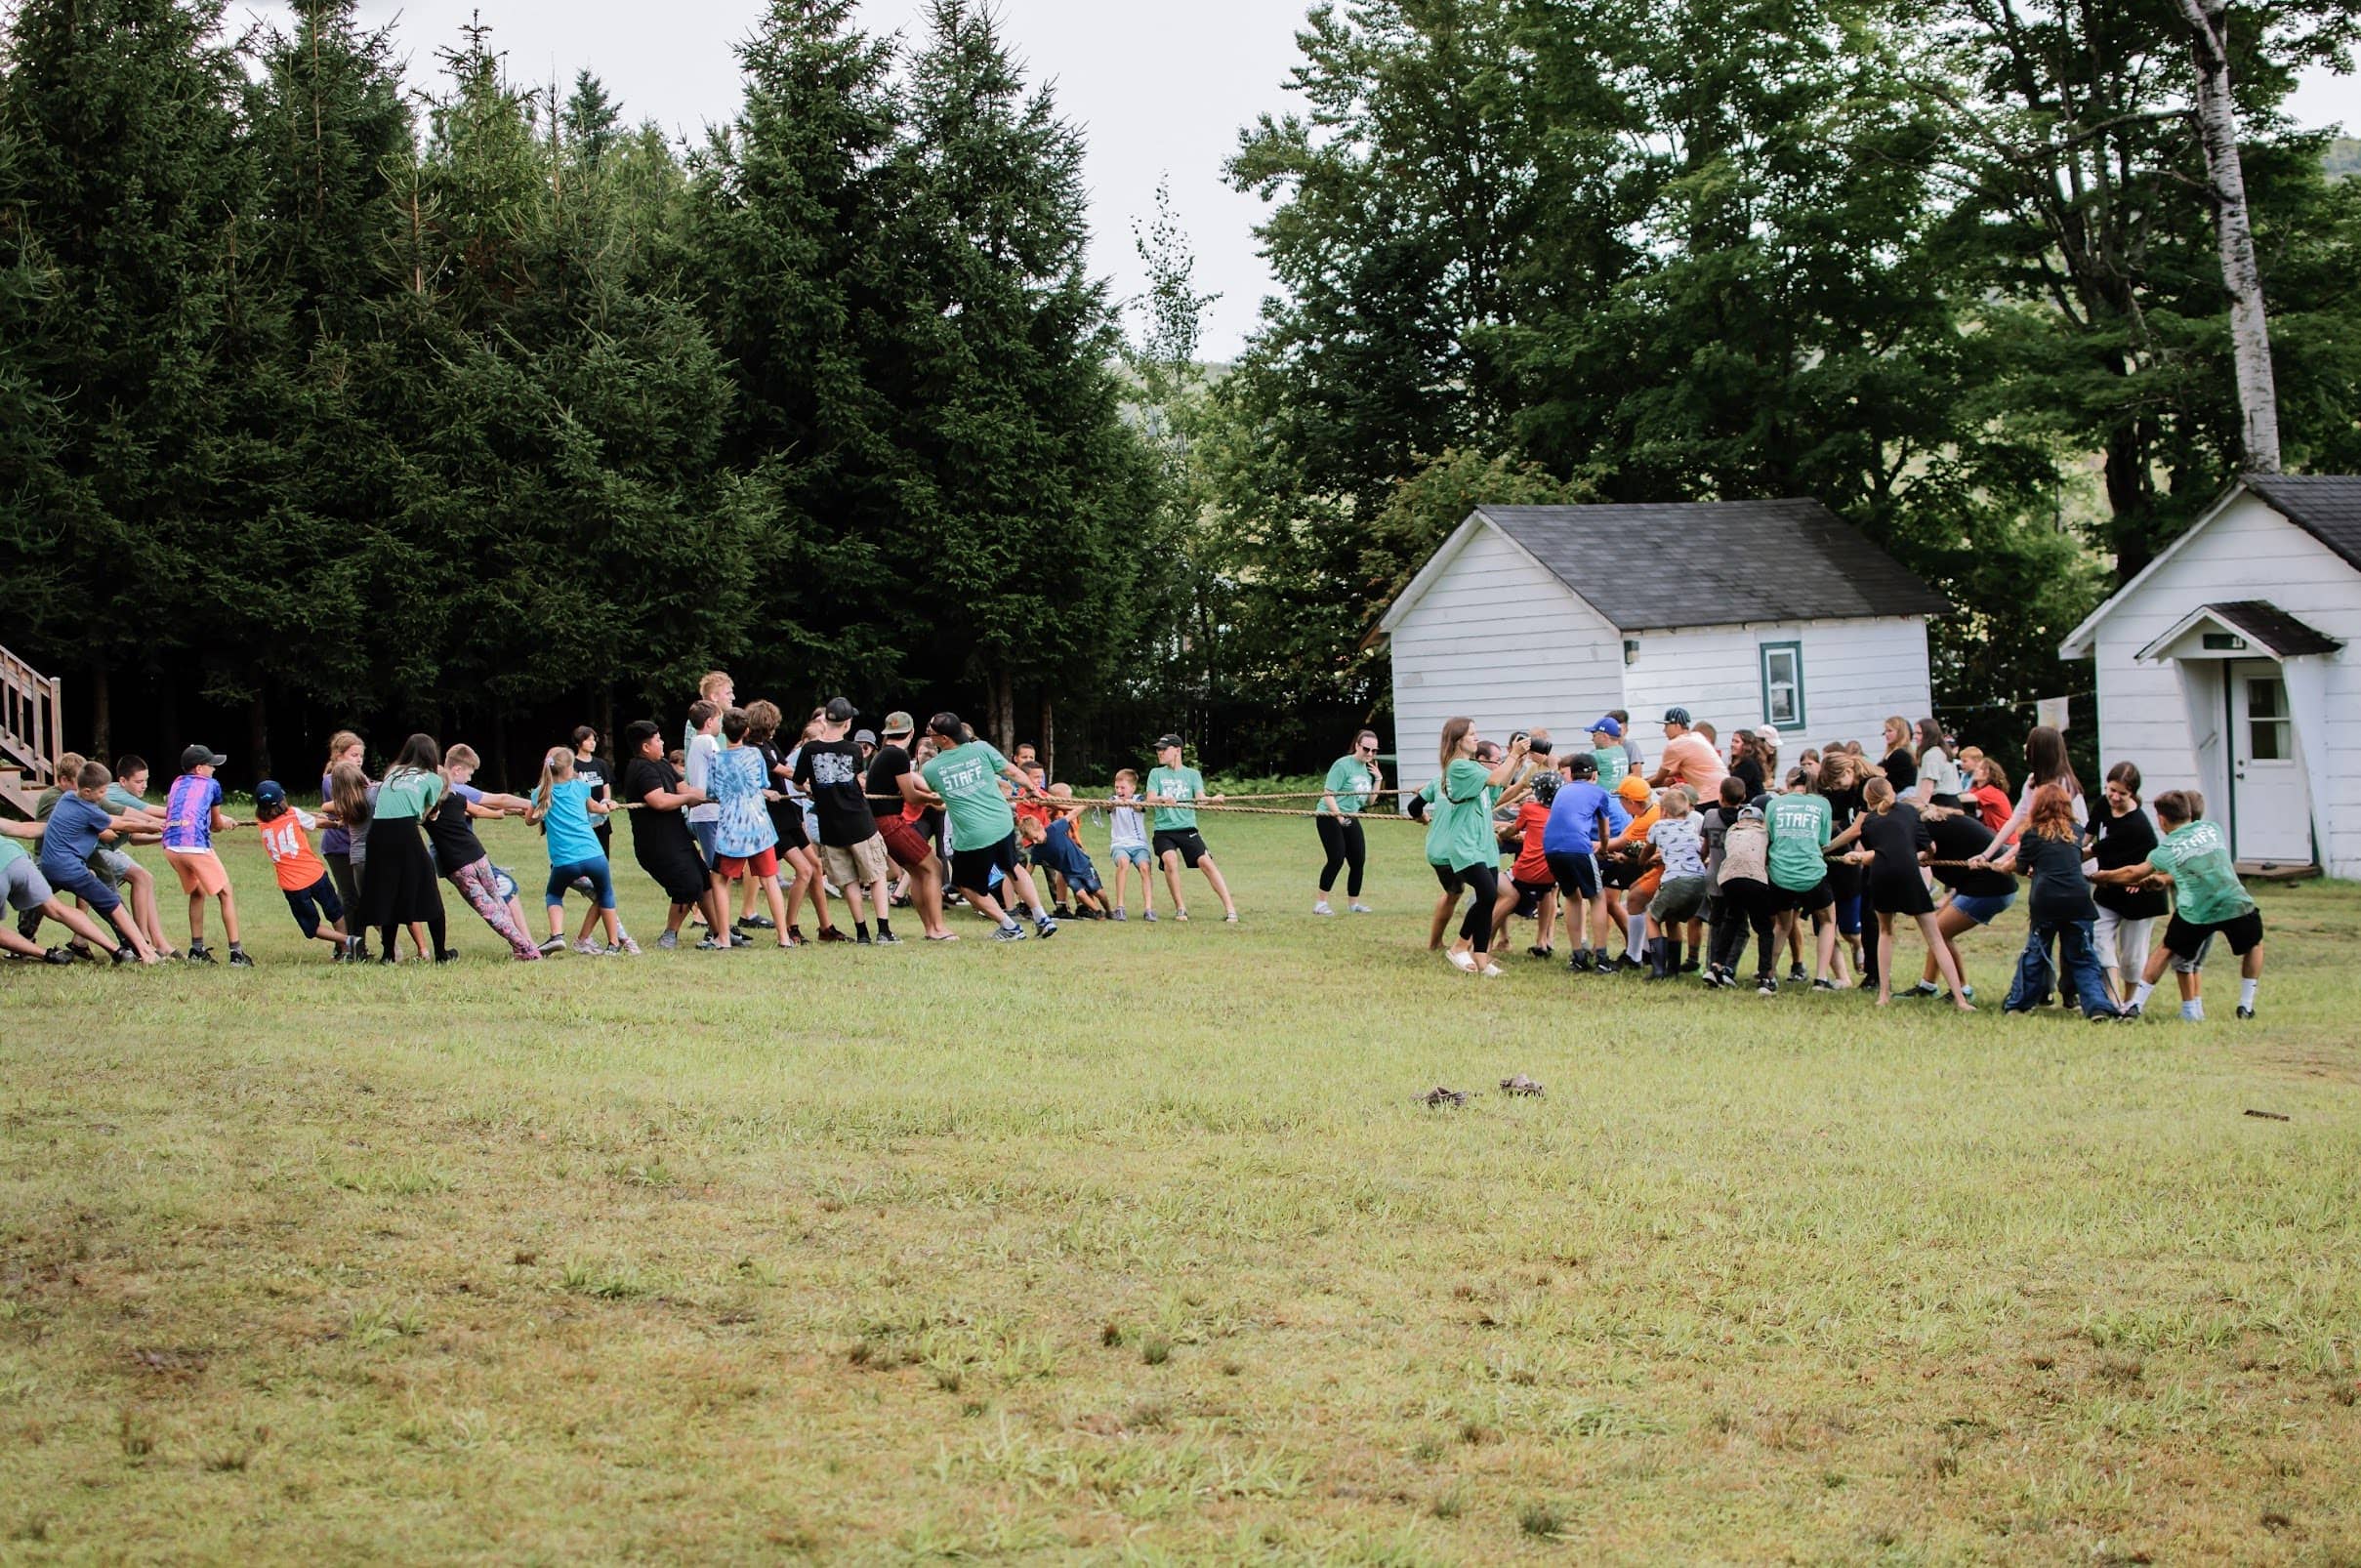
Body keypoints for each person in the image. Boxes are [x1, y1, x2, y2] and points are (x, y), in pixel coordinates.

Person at [2093, 791, 2263, 1021]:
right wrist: (2164, 880)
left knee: (2165, 950)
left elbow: (2134, 873)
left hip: (2197, 911)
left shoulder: (2166, 850)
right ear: (2189, 813)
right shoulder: (2213, 829)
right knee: (2253, 944)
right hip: (2234, 902)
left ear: (2162, 819)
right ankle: (2246, 1006)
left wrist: (2102, 876)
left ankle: (2135, 1006)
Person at [1829, 777, 1973, 1010]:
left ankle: (1884, 995)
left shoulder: (1870, 821)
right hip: (1909, 875)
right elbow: (1930, 847)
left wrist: (1854, 857)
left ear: (1868, 799)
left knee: (1885, 933)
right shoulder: (1908, 811)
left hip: (1881, 876)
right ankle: (1960, 999)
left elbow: (1874, 853)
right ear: (1891, 792)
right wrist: (1923, 857)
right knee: (1935, 938)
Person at [914, 713, 1057, 941]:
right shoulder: (981, 748)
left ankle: (1009, 926)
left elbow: (922, 792)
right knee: (1013, 868)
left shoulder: (932, 769)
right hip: (1001, 822)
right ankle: (1042, 918)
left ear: (943, 739)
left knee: (965, 886)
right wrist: (1031, 787)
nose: (928, 735)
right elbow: (1011, 771)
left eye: (931, 732)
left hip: (974, 835)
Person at [1992, 784, 2120, 1020]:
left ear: (2038, 806)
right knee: (2083, 956)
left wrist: (2004, 866)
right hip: (2078, 901)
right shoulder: (2077, 832)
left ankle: (2019, 1004)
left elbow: (2019, 866)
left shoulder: (2031, 834)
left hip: (2046, 902)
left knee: (2036, 953)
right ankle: (2098, 1007)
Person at [1420, 719, 1528, 975]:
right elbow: (1496, 778)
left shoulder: (1472, 767)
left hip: (1484, 843)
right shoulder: (1458, 767)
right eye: (1472, 734)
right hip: (1465, 844)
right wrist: (1514, 754)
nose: (1476, 737)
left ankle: (1481, 956)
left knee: (1488, 899)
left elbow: (1496, 792)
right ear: (1458, 740)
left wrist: (1519, 765)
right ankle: (1458, 947)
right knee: (1488, 894)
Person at [32, 761, 161, 964]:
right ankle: (143, 951)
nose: (103, 796)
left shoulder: (67, 798)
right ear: (86, 791)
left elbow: (110, 816)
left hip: (51, 866)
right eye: (101, 792)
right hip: (69, 869)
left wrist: (152, 823)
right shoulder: (87, 810)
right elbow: (121, 823)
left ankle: (81, 942)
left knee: (57, 902)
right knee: (112, 904)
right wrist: (156, 827)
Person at [794, 698, 896, 945]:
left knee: (848, 880)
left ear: (825, 720)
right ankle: (883, 931)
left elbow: (798, 782)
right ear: (847, 723)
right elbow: (854, 778)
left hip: (829, 824)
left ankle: (861, 932)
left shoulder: (809, 750)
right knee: (876, 874)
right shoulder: (853, 750)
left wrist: (811, 788)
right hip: (859, 821)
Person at [428, 745, 544, 961]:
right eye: (470, 773)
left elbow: (484, 812)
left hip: (457, 861)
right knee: (501, 897)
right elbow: (498, 801)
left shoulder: (432, 799)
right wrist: (534, 804)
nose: (470, 778)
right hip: (465, 859)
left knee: (503, 894)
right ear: (456, 770)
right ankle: (527, 946)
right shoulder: (457, 791)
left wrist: (513, 811)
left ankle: (524, 945)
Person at [619, 720, 725, 948]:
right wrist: (688, 800)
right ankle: (669, 934)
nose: (662, 742)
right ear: (646, 747)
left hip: (678, 837)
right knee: (687, 885)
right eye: (658, 740)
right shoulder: (641, 768)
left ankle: (719, 933)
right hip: (656, 843)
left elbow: (684, 789)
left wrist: (711, 793)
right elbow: (658, 801)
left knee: (704, 881)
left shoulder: (663, 764)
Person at [745, 700, 835, 945]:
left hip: (788, 814)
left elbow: (786, 765)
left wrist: (805, 786)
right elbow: (781, 771)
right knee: (804, 870)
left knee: (816, 866)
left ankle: (826, 927)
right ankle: (790, 927)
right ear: (767, 724)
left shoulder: (769, 744)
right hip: (772, 820)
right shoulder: (753, 749)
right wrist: (806, 784)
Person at [1904, 805, 2016, 1003]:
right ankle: (1928, 985)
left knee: (1938, 932)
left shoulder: (1927, 828)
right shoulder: (1941, 821)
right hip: (1986, 884)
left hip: (1990, 887)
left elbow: (1929, 850)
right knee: (1938, 928)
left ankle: (1963, 989)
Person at [525, 747, 627, 956]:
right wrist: (609, 805)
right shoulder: (581, 787)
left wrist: (541, 812)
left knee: (554, 894)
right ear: (571, 768)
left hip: (564, 860)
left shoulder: (541, 792)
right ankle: (613, 944)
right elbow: (596, 808)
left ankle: (556, 936)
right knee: (605, 893)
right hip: (593, 854)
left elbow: (530, 820)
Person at [360, 735, 450, 965]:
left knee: (388, 891)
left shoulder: (393, 772)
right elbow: (424, 815)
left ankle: (388, 954)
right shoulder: (433, 778)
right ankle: (441, 953)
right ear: (432, 754)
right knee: (427, 889)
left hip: (377, 833)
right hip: (404, 831)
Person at [866, 711, 954, 941]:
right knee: (934, 866)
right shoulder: (897, 756)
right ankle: (937, 929)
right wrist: (934, 801)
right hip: (890, 823)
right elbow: (912, 796)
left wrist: (934, 795)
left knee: (918, 872)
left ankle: (930, 928)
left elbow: (916, 786)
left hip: (882, 823)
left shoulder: (885, 754)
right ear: (912, 732)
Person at [0, 807, 131, 963]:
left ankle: (47, 954)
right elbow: (23, 829)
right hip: (16, 857)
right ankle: (117, 950)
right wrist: (74, 827)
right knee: (57, 909)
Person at [158, 744, 248, 966]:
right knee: (225, 892)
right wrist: (225, 824)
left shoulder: (177, 783)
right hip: (195, 846)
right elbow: (216, 825)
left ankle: (197, 950)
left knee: (197, 891)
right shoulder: (212, 785)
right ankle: (237, 954)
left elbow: (187, 811)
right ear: (199, 769)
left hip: (171, 846)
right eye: (211, 766)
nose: (214, 769)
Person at [711, 708, 794, 949]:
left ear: (724, 731)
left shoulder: (717, 759)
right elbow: (763, 783)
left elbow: (711, 791)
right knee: (769, 880)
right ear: (747, 731)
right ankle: (783, 937)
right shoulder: (755, 755)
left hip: (731, 831)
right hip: (759, 828)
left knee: (719, 880)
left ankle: (724, 937)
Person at [1542, 752, 1629, 973]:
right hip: (1578, 847)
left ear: (1572, 773)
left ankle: (1577, 956)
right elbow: (1605, 832)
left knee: (1572, 897)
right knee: (1597, 897)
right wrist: (1604, 849)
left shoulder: (1562, 789)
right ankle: (1601, 957)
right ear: (1594, 775)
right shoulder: (1599, 792)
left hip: (1551, 848)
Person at [252, 780, 359, 961]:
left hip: (293, 885)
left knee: (311, 927)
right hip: (315, 874)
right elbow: (317, 823)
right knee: (335, 912)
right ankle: (345, 950)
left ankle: (347, 941)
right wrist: (337, 824)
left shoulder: (261, 823)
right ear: (282, 800)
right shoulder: (294, 814)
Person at [2087, 763, 2166, 1005]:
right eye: (2111, 789)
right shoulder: (2103, 805)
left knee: (2132, 956)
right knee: (2100, 940)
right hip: (2108, 890)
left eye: (2122, 793)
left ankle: (2131, 1002)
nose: (2114, 797)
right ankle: (2113, 999)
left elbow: (2154, 861)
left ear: (2132, 793)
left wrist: (2138, 879)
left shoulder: (2137, 825)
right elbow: (2088, 838)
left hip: (2139, 895)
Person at [1145, 734, 1238, 924]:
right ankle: (1181, 908)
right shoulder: (1156, 773)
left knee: (1206, 862)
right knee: (1170, 860)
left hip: (1187, 828)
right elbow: (1150, 799)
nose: (1159, 752)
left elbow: (1200, 798)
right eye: (1158, 749)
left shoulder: (1192, 774)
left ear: (1177, 750)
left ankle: (1231, 910)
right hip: (1164, 831)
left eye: (1164, 749)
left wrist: (1213, 800)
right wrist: (1163, 799)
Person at [1765, 767, 1839, 993]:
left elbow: (1770, 836)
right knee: (1827, 921)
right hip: (1812, 873)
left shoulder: (1774, 804)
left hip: (1780, 872)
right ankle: (1821, 978)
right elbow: (1824, 840)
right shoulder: (1822, 804)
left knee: (1782, 924)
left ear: (1789, 783)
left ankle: (1769, 975)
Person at [1972, 725, 2083, 858]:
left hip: (2070, 855)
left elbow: (2038, 828)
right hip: (2051, 852)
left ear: (2040, 750)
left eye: (2030, 742)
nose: (2025, 746)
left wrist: (2004, 859)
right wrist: (1986, 855)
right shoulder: (2032, 781)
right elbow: (2016, 818)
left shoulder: (2062, 785)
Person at [1707, 804, 1778, 990]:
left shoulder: (1732, 830)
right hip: (1754, 878)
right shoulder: (1764, 832)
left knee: (1732, 921)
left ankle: (1716, 967)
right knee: (1764, 929)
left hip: (1729, 879)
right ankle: (1765, 977)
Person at [1641, 787, 1710, 979]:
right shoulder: (1691, 827)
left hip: (1675, 879)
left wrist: (1643, 861)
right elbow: (1698, 850)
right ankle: (1673, 970)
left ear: (1663, 811)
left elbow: (1647, 850)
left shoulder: (1658, 826)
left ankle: (1658, 969)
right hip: (1699, 881)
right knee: (1672, 920)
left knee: (1652, 918)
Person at [1314, 730, 1383, 916]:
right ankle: (1320, 904)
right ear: (1357, 746)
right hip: (1329, 815)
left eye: (1374, 751)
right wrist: (1339, 817)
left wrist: (1378, 779)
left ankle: (1354, 904)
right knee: (1336, 858)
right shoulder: (1342, 765)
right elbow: (1328, 794)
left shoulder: (1367, 769)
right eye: (1366, 749)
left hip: (1350, 816)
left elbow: (1370, 801)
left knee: (1358, 860)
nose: (1369, 754)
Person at [1495, 771, 1560, 957]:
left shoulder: (1529, 809)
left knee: (1496, 889)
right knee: (1547, 892)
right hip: (1551, 871)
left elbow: (1513, 830)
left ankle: (1493, 941)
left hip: (1526, 870)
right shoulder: (1561, 812)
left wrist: (1501, 835)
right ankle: (1542, 941)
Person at [318, 731, 368, 957]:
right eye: (353, 755)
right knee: (351, 898)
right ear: (338, 756)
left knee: (350, 896)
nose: (358, 759)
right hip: (340, 848)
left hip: (354, 845)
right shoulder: (332, 780)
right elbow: (350, 804)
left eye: (360, 755)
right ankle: (351, 947)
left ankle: (346, 946)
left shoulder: (360, 779)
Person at [1019, 802, 1108, 918]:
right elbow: (1030, 868)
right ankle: (1097, 913)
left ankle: (1108, 911)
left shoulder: (1055, 828)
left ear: (1041, 827)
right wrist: (1021, 884)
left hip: (1082, 864)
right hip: (1067, 872)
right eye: (1032, 840)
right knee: (1080, 893)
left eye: (1035, 838)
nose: (1035, 842)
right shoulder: (1037, 849)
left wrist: (1087, 804)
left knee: (1097, 892)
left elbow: (1073, 814)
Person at [1106, 769, 1155, 922]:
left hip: (1139, 844)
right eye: (1117, 787)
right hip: (1120, 844)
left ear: (1132, 788)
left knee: (1145, 868)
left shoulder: (1139, 799)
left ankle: (1148, 908)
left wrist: (1131, 803)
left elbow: (1139, 807)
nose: (1119, 791)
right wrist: (1114, 803)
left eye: (1123, 788)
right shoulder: (1112, 799)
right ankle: (1120, 907)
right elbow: (1109, 807)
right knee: (1123, 863)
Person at [1649, 708, 1728, 800]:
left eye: (1666, 726)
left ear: (1677, 726)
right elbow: (1671, 772)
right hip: (1725, 791)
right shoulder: (1697, 736)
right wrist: (1642, 780)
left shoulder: (1676, 745)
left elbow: (1659, 779)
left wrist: (1635, 786)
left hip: (1710, 795)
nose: (1664, 730)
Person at [572, 725, 614, 864]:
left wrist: (606, 802)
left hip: (601, 816)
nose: (592, 743)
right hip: (582, 818)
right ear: (579, 742)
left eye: (594, 740)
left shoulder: (601, 764)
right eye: (588, 740)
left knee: (603, 857)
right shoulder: (573, 765)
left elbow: (606, 786)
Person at [1913, 718, 1962, 807]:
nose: (1915, 737)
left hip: (1940, 805)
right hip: (1951, 803)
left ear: (1929, 735)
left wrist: (1919, 811)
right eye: (1915, 733)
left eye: (1919, 733)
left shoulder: (1931, 755)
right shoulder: (1941, 752)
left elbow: (1927, 789)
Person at [1966, 755, 2013, 834]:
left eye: (1981, 768)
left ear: (1990, 774)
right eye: (1976, 767)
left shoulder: (1991, 791)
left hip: (2004, 840)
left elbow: (1963, 798)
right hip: (1993, 833)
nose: (1976, 770)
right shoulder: (1977, 789)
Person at [1877, 717, 1919, 796]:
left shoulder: (1900, 754)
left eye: (1890, 731)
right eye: (1885, 731)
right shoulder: (1897, 752)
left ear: (1900, 732)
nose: (1886, 734)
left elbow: (1890, 779)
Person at [1587, 717, 1630, 788]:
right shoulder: (1621, 751)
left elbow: (1576, 763)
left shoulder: (1600, 755)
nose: (1592, 739)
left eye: (1594, 735)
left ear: (1604, 736)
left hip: (1604, 797)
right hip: (1618, 796)